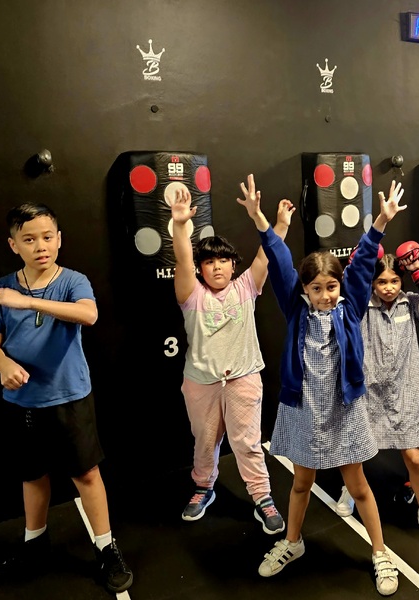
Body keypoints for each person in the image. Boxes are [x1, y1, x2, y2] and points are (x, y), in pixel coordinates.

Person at [253, 181, 405, 596]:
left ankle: (380, 552)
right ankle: (292, 542)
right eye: (316, 288)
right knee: (301, 483)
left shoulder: (350, 306)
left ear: (341, 287)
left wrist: (381, 221)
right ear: (304, 289)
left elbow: (362, 262)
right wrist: (262, 221)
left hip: (343, 410)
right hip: (304, 409)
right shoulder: (295, 309)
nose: (324, 295)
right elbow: (280, 262)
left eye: (331, 287)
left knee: (358, 486)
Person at [0, 203, 133, 593]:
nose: (40, 246)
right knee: (33, 474)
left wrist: (29, 301)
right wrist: (2, 364)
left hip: (70, 396)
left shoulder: (72, 281)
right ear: (13, 245)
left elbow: (88, 315)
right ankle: (34, 543)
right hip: (22, 401)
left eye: (47, 237)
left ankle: (106, 548)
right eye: (29, 239)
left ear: (59, 239)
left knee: (86, 473)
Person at [171, 175, 289, 532]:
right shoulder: (191, 293)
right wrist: (180, 225)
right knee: (205, 442)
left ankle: (262, 496)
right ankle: (203, 488)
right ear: (201, 268)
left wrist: (277, 223)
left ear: (233, 265)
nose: (217, 266)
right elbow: (183, 260)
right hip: (201, 382)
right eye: (210, 262)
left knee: (248, 443)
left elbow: (268, 254)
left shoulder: (246, 286)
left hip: (243, 379)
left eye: (224, 260)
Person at [337, 247, 419, 544]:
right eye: (382, 282)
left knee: (414, 457)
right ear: (373, 283)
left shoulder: (409, 302)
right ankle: (350, 489)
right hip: (370, 391)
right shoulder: (362, 305)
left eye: (394, 281)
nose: (388, 287)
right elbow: (346, 294)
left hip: (404, 391)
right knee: (357, 453)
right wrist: (358, 268)